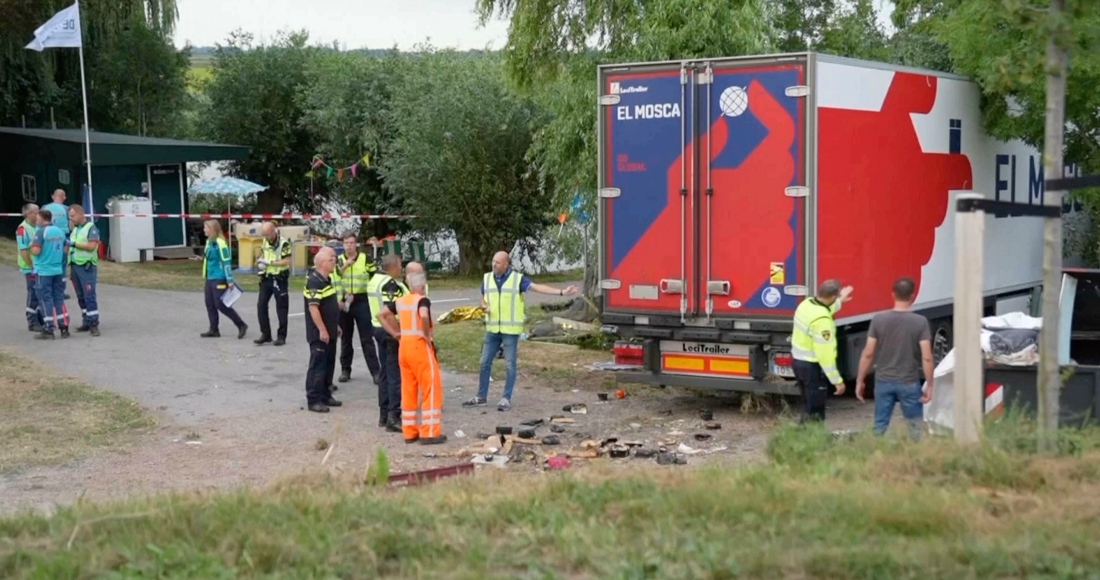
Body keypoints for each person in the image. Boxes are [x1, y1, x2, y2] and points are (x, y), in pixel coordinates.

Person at [463, 251, 578, 411]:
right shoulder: (487, 278)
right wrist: (483, 305)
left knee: (510, 364)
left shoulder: (517, 279)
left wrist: (561, 292)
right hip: (493, 328)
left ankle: (505, 398)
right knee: (484, 362)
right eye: (493, 261)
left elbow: (537, 287)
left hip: (510, 330)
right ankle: (481, 396)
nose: (494, 264)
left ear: (506, 264)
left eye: (497, 262)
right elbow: (483, 295)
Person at [856, 277, 934, 441]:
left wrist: (860, 380)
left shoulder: (879, 320)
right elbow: (927, 357)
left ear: (893, 295)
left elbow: (868, 353)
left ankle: (876, 459)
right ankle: (915, 461)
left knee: (879, 427)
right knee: (915, 430)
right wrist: (930, 385)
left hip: (883, 381)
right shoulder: (920, 322)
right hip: (909, 382)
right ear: (912, 297)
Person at [380, 271, 445, 445]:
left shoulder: (401, 301)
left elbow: (382, 314)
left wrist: (395, 333)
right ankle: (430, 432)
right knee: (431, 386)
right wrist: (426, 335)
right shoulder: (421, 300)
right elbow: (424, 315)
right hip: (419, 347)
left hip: (404, 347)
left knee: (408, 390)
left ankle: (409, 432)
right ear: (422, 286)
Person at [791, 279, 854, 423]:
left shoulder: (806, 305)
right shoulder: (823, 321)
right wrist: (837, 380)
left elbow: (825, 308)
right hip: (812, 368)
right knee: (815, 412)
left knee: (807, 407)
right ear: (832, 297)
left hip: (798, 363)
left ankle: (799, 440)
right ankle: (811, 442)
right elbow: (825, 355)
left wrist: (840, 301)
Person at [367, 253, 408, 431]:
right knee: (394, 376)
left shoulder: (374, 280)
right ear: (392, 267)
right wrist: (397, 333)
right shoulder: (389, 284)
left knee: (384, 374)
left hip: (377, 329)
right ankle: (394, 416)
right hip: (388, 331)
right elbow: (389, 311)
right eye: (399, 266)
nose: (401, 269)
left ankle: (383, 414)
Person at [335, 232, 381, 384]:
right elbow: (333, 277)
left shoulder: (365, 259)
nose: (349, 245)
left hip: (362, 300)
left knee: (367, 338)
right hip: (345, 300)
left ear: (356, 245)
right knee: (345, 338)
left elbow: (375, 277)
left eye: (351, 243)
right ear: (343, 245)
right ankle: (345, 370)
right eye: (346, 243)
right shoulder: (338, 260)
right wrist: (345, 266)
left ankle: (375, 372)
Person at [303, 247, 342, 413]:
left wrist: (335, 325)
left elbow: (330, 305)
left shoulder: (327, 279)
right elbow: (314, 308)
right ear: (321, 263)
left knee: (329, 364)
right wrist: (322, 330)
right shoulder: (314, 281)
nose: (334, 261)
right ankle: (313, 398)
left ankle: (326, 393)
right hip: (320, 333)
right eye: (331, 259)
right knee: (317, 365)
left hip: (331, 330)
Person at [200, 219, 248, 339]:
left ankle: (241, 324)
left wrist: (229, 279)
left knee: (220, 304)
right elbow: (208, 257)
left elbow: (226, 261)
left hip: (219, 277)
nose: (204, 230)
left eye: (206, 227)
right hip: (210, 276)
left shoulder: (221, 243)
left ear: (212, 229)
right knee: (209, 303)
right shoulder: (209, 242)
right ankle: (214, 329)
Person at [30, 209, 69, 340]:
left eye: (37, 217)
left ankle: (49, 328)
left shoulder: (41, 232)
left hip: (44, 270)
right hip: (58, 269)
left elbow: (36, 250)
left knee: (45, 299)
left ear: (41, 218)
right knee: (59, 298)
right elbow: (65, 247)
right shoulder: (59, 231)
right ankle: (64, 327)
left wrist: (31, 246)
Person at [254, 221, 293, 346]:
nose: (265, 237)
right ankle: (266, 334)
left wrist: (269, 262)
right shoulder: (265, 241)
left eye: (267, 234)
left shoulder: (284, 243)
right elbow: (262, 254)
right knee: (261, 305)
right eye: (263, 234)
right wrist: (259, 261)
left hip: (280, 279)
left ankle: (281, 336)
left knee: (281, 308)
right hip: (267, 278)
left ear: (273, 231)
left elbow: (288, 261)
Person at [67, 205, 101, 336]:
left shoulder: (91, 228)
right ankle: (86, 320)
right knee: (80, 297)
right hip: (75, 265)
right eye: (70, 216)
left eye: (73, 216)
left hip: (87, 267)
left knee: (89, 296)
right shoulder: (75, 229)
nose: (71, 219)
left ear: (81, 214)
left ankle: (94, 324)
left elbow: (92, 246)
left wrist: (74, 244)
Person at [16, 203, 44, 332]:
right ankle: (32, 321)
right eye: (36, 212)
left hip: (39, 265)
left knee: (40, 293)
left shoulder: (37, 226)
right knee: (33, 293)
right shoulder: (23, 229)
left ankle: (39, 317)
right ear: (28, 214)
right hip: (30, 267)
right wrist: (31, 266)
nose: (39, 214)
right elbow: (24, 251)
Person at [42, 189, 71, 299]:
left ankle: (47, 289)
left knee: (48, 263)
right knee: (62, 265)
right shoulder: (67, 209)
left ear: (53, 196)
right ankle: (60, 291)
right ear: (64, 198)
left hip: (47, 240)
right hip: (61, 240)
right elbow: (71, 226)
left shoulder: (45, 208)